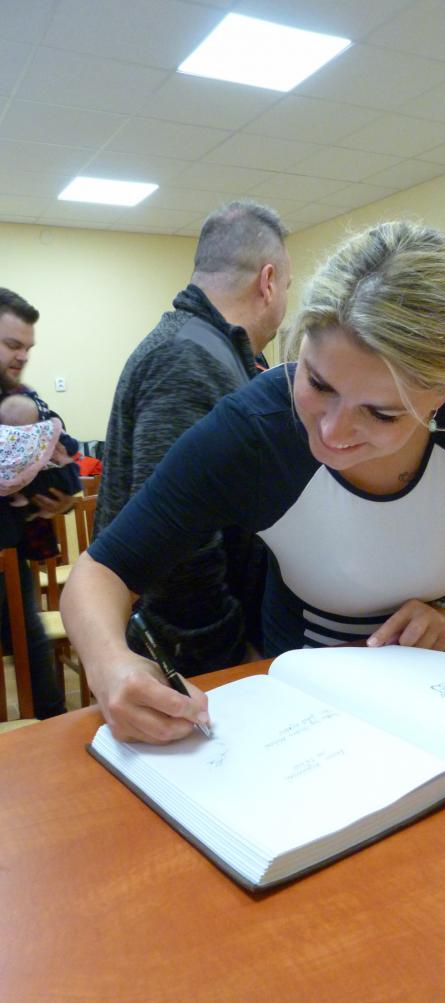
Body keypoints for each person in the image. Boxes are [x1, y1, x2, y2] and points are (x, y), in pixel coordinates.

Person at [61, 220, 445, 744]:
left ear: (443, 395)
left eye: (381, 413)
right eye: (318, 383)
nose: (333, 433)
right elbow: (100, 572)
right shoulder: (255, 430)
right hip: (310, 700)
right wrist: (111, 665)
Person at [93, 200, 291, 676]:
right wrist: (226, 653)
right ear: (267, 282)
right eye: (288, 286)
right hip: (189, 658)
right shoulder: (189, 358)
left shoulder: (207, 349)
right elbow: (177, 547)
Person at [0, 288, 76, 718]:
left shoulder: (26, 399)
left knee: (39, 676)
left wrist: (61, 499)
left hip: (13, 563)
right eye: (13, 345)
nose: (23, 356)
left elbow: (67, 461)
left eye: (28, 348)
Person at [0, 392, 80, 514]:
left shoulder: (32, 410)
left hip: (27, 514)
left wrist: (66, 503)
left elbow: (66, 456)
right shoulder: (36, 413)